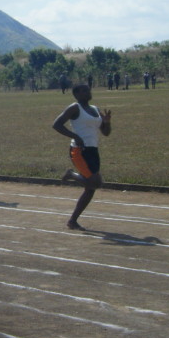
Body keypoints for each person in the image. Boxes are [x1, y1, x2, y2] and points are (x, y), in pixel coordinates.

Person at [53, 83, 112, 231]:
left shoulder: (95, 109)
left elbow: (106, 133)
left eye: (88, 90)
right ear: (77, 95)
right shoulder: (74, 108)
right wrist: (74, 136)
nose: (88, 92)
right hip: (79, 150)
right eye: (84, 91)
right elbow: (57, 124)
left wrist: (106, 122)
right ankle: (71, 174)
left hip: (93, 150)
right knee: (94, 184)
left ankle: (72, 221)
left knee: (92, 187)